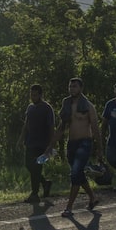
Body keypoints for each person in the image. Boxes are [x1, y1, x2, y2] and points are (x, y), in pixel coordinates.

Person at [47, 77, 102, 217]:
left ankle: (69, 207)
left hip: (85, 142)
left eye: (75, 86)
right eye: (70, 86)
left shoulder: (88, 106)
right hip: (72, 144)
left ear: (81, 88)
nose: (72, 89)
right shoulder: (67, 104)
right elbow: (61, 127)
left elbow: (95, 128)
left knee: (75, 172)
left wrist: (100, 149)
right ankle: (93, 197)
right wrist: (51, 146)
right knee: (78, 173)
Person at [18, 84, 55, 203]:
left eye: (35, 95)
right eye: (31, 95)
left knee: (37, 167)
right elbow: (26, 125)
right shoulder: (30, 108)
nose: (33, 97)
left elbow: (51, 127)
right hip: (30, 142)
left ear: (40, 95)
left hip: (42, 144)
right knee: (29, 165)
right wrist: (20, 139)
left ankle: (34, 194)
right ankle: (45, 183)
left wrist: (50, 145)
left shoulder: (47, 108)